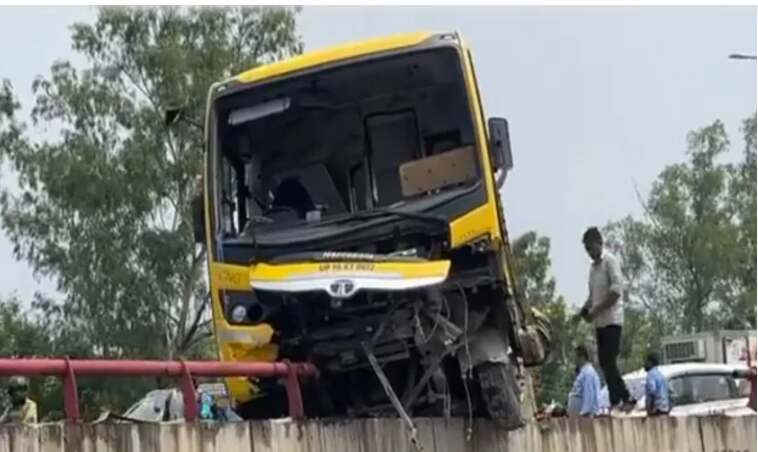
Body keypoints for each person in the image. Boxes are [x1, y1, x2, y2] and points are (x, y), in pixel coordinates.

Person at [576, 227, 635, 411]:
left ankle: (626, 396)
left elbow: (616, 291)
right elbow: (593, 295)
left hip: (613, 320)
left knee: (610, 361)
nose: (590, 253)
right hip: (600, 322)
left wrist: (596, 309)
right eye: (587, 250)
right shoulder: (593, 269)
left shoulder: (610, 261)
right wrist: (585, 309)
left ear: (599, 243)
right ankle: (615, 399)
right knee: (603, 362)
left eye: (591, 248)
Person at [567, 345, 603, 417]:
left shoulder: (588, 373)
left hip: (585, 416)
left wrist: (585, 412)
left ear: (582, 357)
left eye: (576, 357)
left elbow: (589, 393)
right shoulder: (584, 372)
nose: (574, 360)